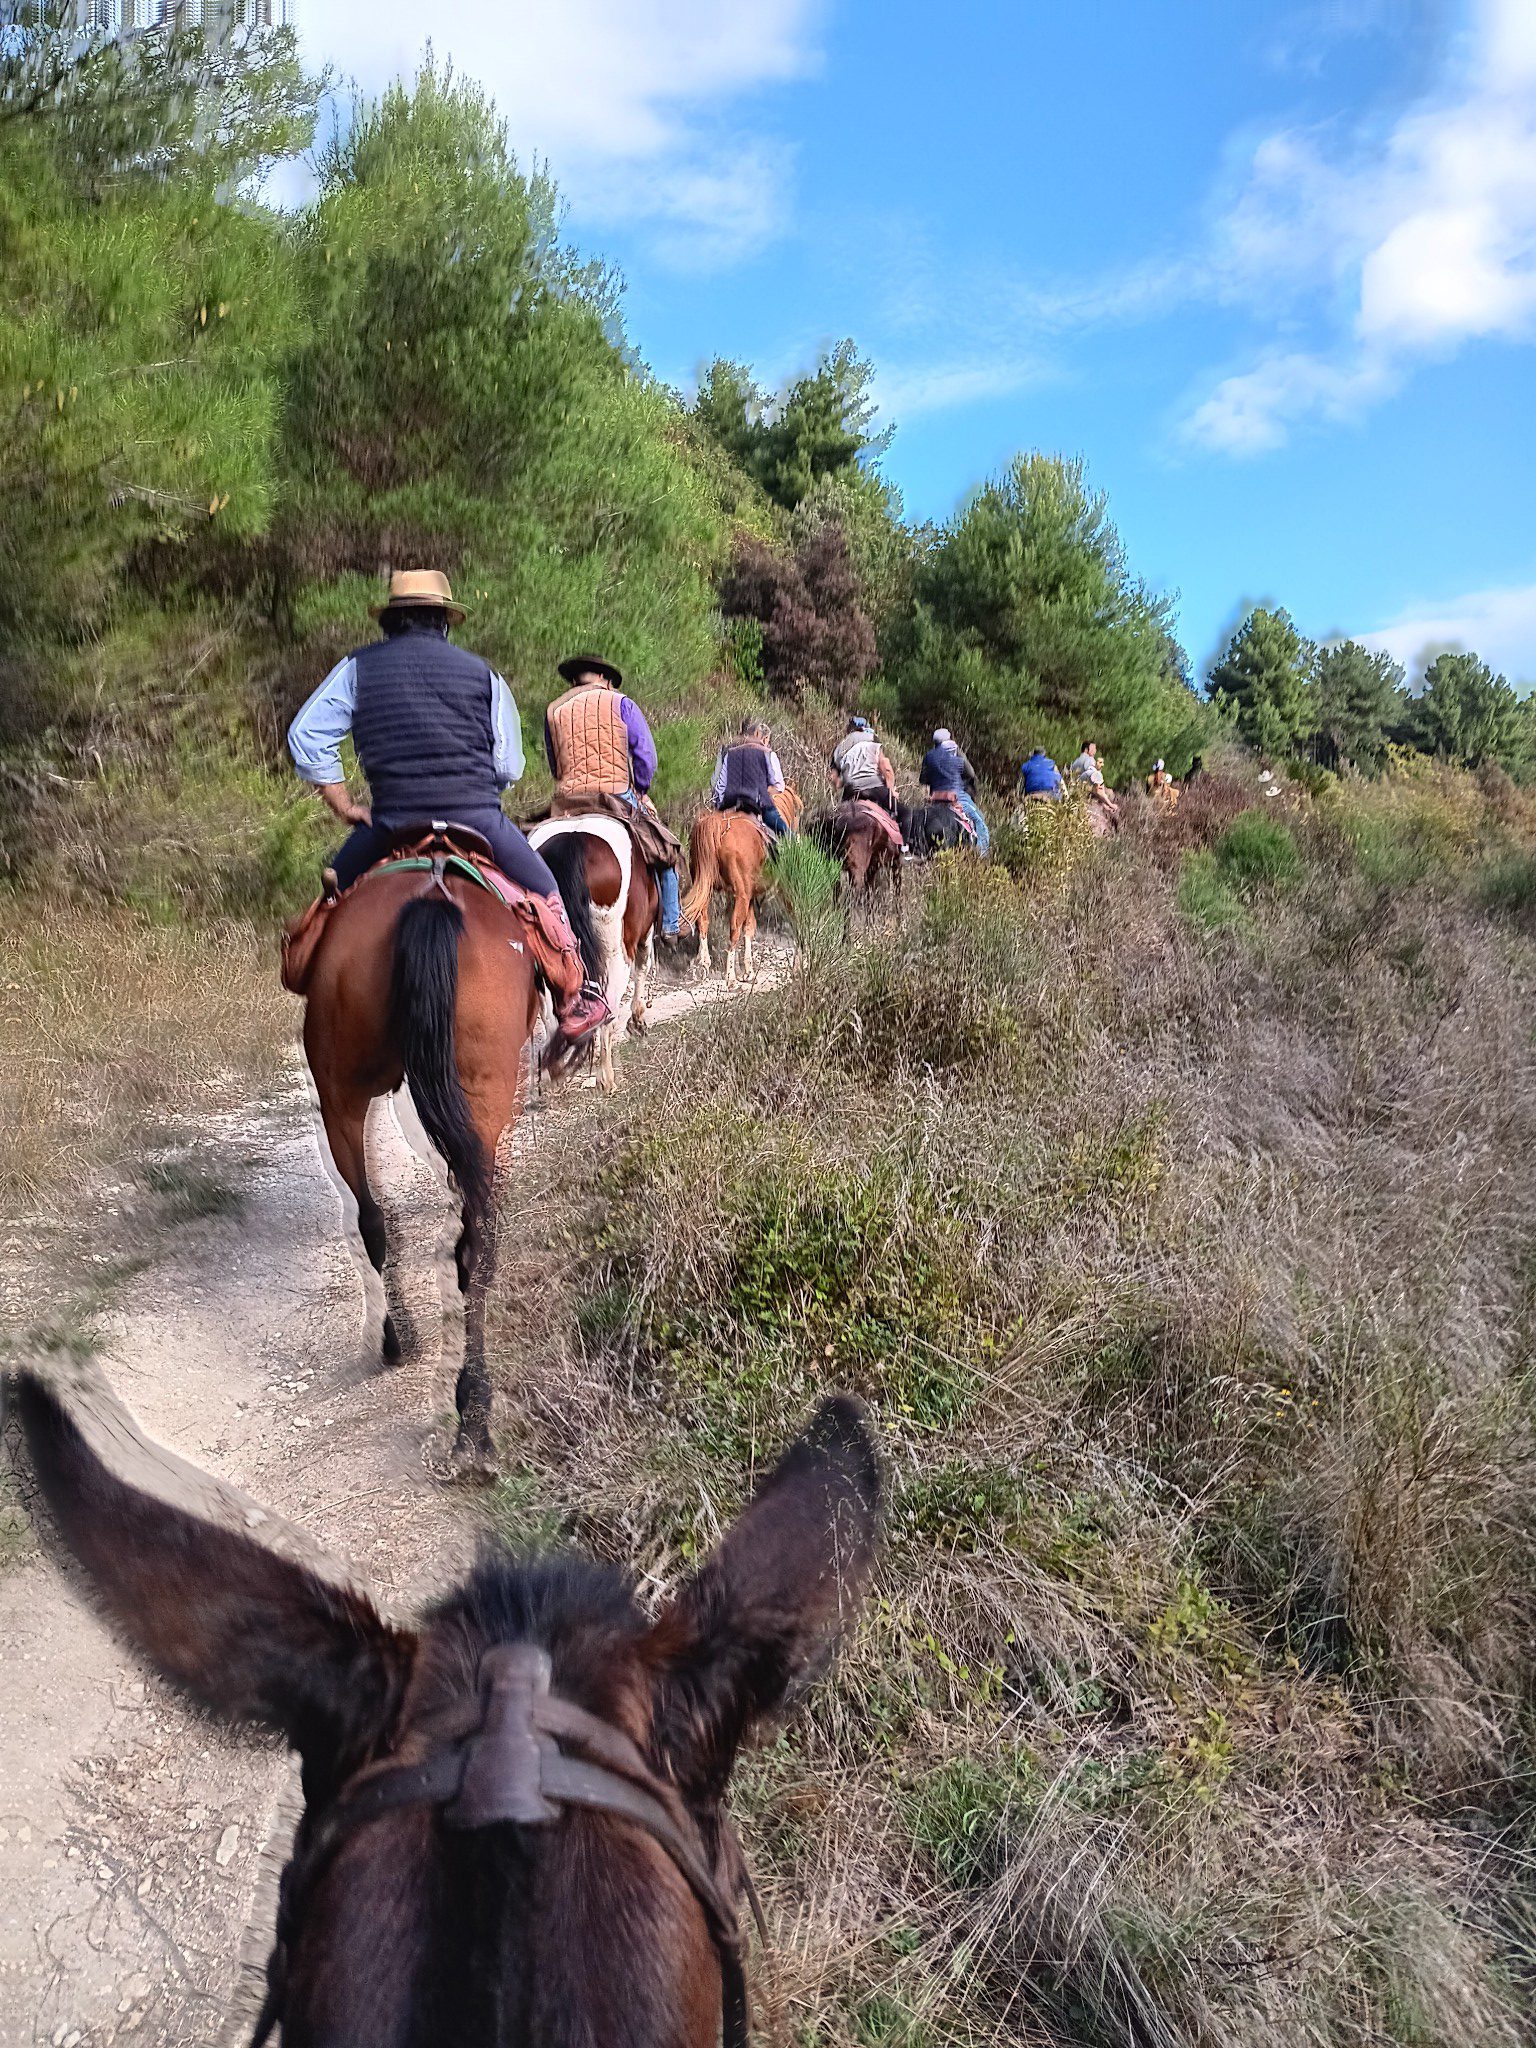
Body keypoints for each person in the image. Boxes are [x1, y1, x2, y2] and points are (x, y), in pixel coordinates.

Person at [286, 569, 610, 1044]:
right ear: (444, 621)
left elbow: (306, 734)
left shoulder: (358, 668)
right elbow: (509, 765)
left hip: (393, 821)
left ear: (391, 622)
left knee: (331, 901)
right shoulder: (485, 675)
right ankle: (574, 994)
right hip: (477, 818)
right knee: (545, 888)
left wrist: (341, 802)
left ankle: (315, 984)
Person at [543, 654, 686, 941]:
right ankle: (671, 922)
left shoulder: (554, 710)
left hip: (568, 799)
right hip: (614, 793)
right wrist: (641, 791)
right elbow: (647, 756)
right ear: (605, 680)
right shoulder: (621, 703)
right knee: (665, 850)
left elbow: (554, 763)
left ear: (574, 681)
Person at [711, 716, 791, 837]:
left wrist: (719, 805)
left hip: (729, 804)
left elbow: (718, 784)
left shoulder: (729, 752)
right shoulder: (767, 753)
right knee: (782, 829)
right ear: (757, 732)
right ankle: (795, 846)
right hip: (756, 803)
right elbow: (779, 786)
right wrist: (765, 791)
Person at [919, 727, 989, 854]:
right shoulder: (955, 752)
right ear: (948, 739)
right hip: (956, 796)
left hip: (935, 798)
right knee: (980, 822)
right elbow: (971, 774)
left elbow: (924, 780)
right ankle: (982, 855)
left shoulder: (928, 756)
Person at [830, 715, 898, 813]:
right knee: (901, 814)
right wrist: (891, 791)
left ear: (849, 730)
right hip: (876, 786)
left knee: (839, 817)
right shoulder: (872, 739)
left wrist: (845, 780)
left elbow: (836, 782)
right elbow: (886, 767)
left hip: (852, 790)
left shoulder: (839, 748)